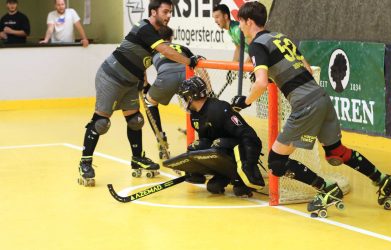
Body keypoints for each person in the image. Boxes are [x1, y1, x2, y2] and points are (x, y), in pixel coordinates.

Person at [231, 1, 391, 214]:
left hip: (305, 104)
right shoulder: (281, 37)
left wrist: (244, 102)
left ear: (249, 21)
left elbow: (261, 82)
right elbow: (308, 69)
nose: (240, 28)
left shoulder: (257, 45)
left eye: (240, 23)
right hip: (321, 97)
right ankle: (383, 180)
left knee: (276, 162)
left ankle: (326, 189)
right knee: (336, 152)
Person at [77, 0, 202, 186]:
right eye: (165, 12)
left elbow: (142, 61)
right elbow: (165, 50)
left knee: (135, 121)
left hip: (130, 82)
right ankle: (85, 163)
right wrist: (188, 61)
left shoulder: (155, 34)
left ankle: (137, 158)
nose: (168, 16)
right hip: (111, 77)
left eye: (170, 13)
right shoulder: (145, 28)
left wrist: (144, 84)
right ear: (153, 12)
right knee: (101, 122)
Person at [177, 75, 265, 197]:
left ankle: (240, 177)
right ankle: (224, 173)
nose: (183, 100)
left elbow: (249, 136)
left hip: (239, 149)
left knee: (219, 143)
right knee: (196, 147)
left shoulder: (219, 109)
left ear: (191, 97)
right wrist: (194, 168)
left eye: (184, 97)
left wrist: (249, 165)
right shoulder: (195, 115)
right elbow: (206, 141)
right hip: (223, 148)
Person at [144, 25, 195, 159]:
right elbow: (195, 64)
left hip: (166, 77)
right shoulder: (182, 48)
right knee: (195, 107)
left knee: (149, 102)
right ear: (171, 38)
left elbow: (141, 66)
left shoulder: (154, 49)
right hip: (187, 75)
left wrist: (144, 85)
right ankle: (201, 143)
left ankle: (160, 138)